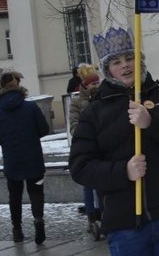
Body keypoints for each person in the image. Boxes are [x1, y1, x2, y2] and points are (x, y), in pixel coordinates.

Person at [69, 27, 159, 254]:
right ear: (108, 69)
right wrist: (124, 171)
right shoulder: (94, 113)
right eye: (116, 62)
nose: (125, 65)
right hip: (124, 224)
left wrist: (153, 122)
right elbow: (80, 167)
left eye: (130, 58)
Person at [0, 71, 49, 245]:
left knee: (14, 197)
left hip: (12, 161)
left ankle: (17, 229)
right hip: (34, 159)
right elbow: (44, 129)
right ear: (17, 85)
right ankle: (38, 219)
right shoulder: (30, 107)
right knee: (36, 192)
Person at [68, 64, 102, 240]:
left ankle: (104, 213)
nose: (96, 86)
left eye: (97, 83)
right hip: (87, 148)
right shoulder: (77, 102)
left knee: (103, 182)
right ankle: (91, 217)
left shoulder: (103, 97)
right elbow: (74, 125)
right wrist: (85, 136)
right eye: (93, 84)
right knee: (88, 184)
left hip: (103, 146)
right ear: (85, 85)